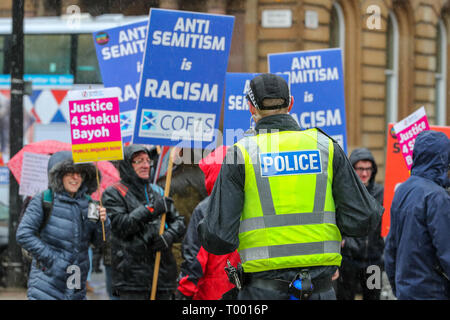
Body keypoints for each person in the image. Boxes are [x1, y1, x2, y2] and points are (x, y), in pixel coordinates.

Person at [198, 73, 383, 300]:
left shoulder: (240, 154)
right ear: (291, 103)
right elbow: (365, 218)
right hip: (320, 290)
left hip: (263, 292)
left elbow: (218, 238)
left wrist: (203, 226)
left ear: (250, 107)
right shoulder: (326, 147)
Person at [16, 151, 109, 300]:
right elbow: (24, 234)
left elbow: (99, 242)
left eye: (80, 172)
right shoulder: (44, 199)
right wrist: (54, 261)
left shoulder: (91, 204)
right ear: (58, 176)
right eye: (69, 172)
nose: (75, 177)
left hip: (76, 283)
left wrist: (103, 223)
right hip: (46, 284)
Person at [102, 145, 186, 300]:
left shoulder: (158, 191)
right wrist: (151, 209)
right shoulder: (113, 193)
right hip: (131, 279)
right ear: (127, 165)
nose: (146, 165)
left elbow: (179, 222)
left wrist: (168, 236)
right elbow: (122, 226)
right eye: (139, 161)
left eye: (148, 161)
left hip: (162, 275)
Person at [384, 130, 450, 300]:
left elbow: (391, 248)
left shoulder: (403, 190)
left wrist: (397, 287)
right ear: (443, 158)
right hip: (433, 291)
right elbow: (447, 251)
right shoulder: (437, 196)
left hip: (406, 290)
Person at [176, 146, 241, 300]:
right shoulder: (252, 203)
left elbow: (195, 257)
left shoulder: (206, 209)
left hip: (213, 291)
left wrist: (184, 292)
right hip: (246, 289)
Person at [336, 148, 384, 300]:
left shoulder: (382, 193)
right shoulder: (343, 192)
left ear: (373, 170)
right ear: (352, 169)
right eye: (360, 169)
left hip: (373, 262)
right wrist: (344, 241)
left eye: (368, 169)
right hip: (348, 260)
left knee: (373, 297)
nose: (364, 173)